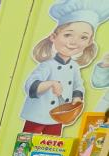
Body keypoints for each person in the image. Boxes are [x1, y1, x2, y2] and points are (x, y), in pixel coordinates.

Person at [19, 1, 109, 135]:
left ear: (89, 42)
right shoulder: (48, 65)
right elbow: (30, 85)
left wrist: (77, 98)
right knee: (27, 142)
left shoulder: (74, 67)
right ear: (53, 37)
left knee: (53, 143)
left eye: (83, 37)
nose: (74, 42)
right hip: (38, 113)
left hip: (60, 114)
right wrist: (50, 84)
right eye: (68, 35)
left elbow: (78, 85)